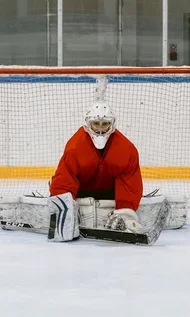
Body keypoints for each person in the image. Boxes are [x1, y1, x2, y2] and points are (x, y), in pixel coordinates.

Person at [48, 101, 143, 236]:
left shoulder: (127, 150)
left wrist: (126, 212)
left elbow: (130, 184)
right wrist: (62, 207)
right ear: (88, 124)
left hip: (111, 194)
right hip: (81, 194)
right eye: (96, 124)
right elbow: (65, 179)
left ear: (112, 125)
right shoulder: (75, 147)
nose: (100, 129)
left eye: (105, 124)